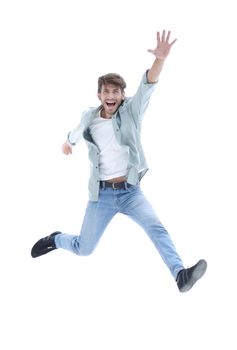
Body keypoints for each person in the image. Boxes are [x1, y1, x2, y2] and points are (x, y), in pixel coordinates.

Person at [31, 30, 207, 292]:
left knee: (156, 228)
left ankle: (180, 274)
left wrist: (160, 59)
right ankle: (57, 240)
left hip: (130, 191)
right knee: (84, 248)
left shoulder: (132, 112)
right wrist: (69, 142)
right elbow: (78, 130)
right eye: (106, 92)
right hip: (101, 195)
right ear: (99, 95)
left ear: (122, 95)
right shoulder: (90, 116)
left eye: (116, 92)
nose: (111, 96)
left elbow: (148, 85)